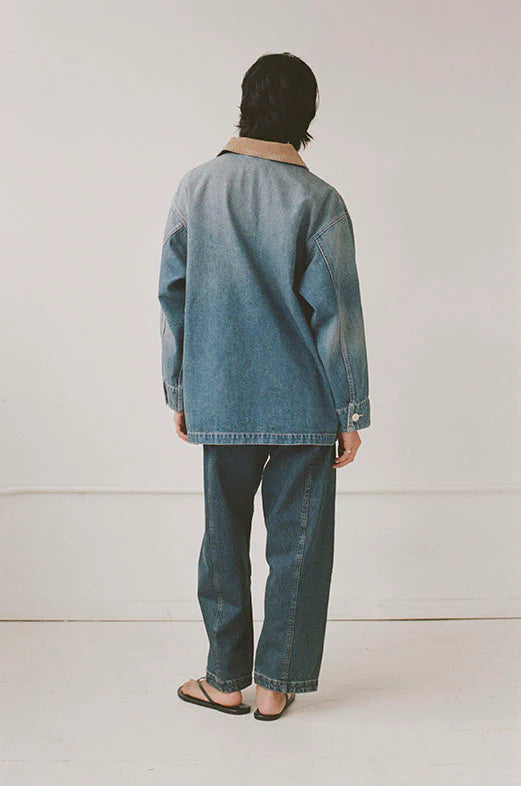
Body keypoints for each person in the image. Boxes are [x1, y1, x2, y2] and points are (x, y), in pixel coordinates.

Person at [158, 52, 371, 721]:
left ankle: (224, 680)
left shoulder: (197, 187)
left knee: (222, 541)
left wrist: (180, 390)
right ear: (307, 114)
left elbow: (172, 294)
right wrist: (349, 412)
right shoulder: (319, 200)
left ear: (245, 103)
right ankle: (276, 685)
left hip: (220, 393)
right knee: (298, 547)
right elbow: (337, 314)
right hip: (304, 403)